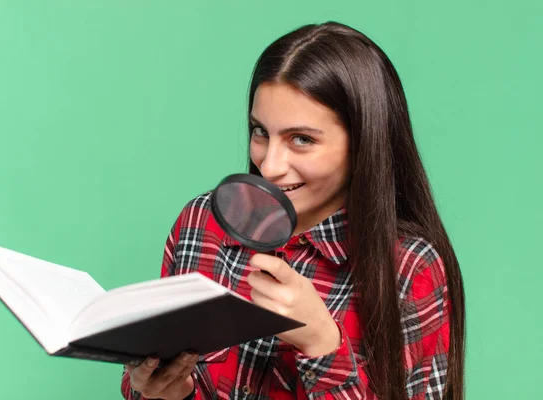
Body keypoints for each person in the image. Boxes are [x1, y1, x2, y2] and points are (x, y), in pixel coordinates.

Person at [121, 21, 465, 400]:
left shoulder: (409, 268)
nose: (269, 166)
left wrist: (320, 341)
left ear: (363, 143)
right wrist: (169, 392)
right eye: (260, 132)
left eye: (301, 140)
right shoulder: (203, 223)